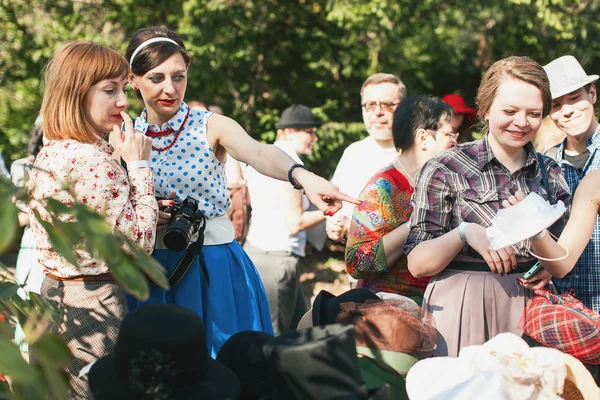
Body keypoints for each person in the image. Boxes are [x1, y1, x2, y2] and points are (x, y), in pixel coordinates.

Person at [125, 27, 358, 356]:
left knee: (225, 364)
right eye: (156, 78)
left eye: (179, 77)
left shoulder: (211, 125)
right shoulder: (121, 132)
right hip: (147, 268)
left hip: (211, 265)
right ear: (133, 80)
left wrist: (303, 176)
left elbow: (259, 152)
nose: (170, 88)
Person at [403, 56, 571, 357]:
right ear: (485, 109)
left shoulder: (551, 173)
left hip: (533, 311)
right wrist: (466, 233)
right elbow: (417, 264)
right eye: (510, 111)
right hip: (462, 304)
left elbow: (560, 261)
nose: (521, 122)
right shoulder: (445, 167)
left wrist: (540, 245)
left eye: (534, 113)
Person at [28, 42, 158, 398]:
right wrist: (139, 166)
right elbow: (140, 246)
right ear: (76, 95)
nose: (123, 102)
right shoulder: (94, 160)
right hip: (92, 302)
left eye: (123, 89)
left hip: (50, 295)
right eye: (110, 90)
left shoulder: (53, 150)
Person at [345, 96, 457, 305]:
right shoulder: (383, 188)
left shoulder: (444, 182)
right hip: (393, 313)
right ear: (423, 137)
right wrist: (414, 223)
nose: (455, 141)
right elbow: (357, 263)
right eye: (449, 134)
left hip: (442, 303)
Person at [244, 104, 324, 335]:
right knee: (274, 336)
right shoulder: (290, 166)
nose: (315, 138)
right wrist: (334, 211)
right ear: (290, 132)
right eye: (309, 132)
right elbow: (295, 223)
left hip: (259, 251)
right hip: (276, 259)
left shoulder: (264, 157)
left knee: (300, 326)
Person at [541, 55, 600, 312]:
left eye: (575, 98)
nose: (567, 110)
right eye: (556, 104)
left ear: (593, 94)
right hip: (565, 310)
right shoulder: (545, 165)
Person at [327, 73, 407, 243]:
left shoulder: (421, 152)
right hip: (361, 264)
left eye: (387, 105)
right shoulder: (353, 153)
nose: (377, 112)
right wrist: (335, 223)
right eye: (370, 105)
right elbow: (335, 206)